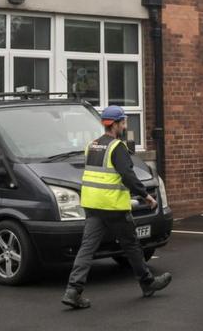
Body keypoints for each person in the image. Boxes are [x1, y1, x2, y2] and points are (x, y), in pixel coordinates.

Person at [61, 105, 172, 309]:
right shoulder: (117, 147)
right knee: (131, 245)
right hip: (113, 206)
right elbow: (128, 176)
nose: (125, 126)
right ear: (117, 124)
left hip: (92, 204)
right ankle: (147, 283)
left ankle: (73, 290)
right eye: (123, 122)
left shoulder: (92, 146)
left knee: (87, 248)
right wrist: (146, 196)